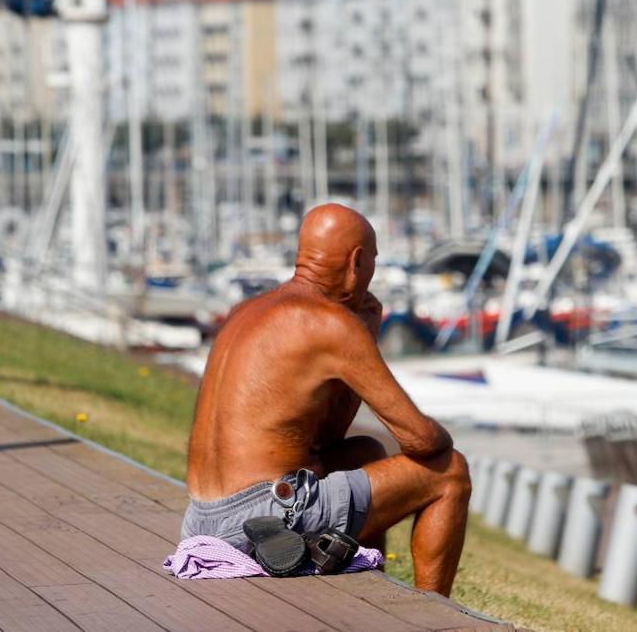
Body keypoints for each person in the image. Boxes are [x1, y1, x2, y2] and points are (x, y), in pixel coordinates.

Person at [183, 203, 470, 595]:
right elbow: (421, 440)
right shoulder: (330, 323)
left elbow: (328, 439)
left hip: (202, 517)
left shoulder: (245, 311)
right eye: (372, 262)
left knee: (364, 451)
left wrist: (361, 335)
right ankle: (435, 614)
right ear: (356, 262)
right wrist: (359, 333)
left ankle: (363, 588)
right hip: (268, 511)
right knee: (450, 471)